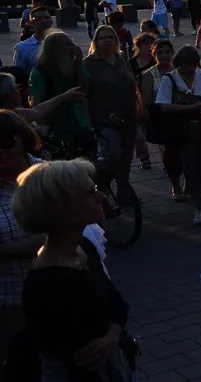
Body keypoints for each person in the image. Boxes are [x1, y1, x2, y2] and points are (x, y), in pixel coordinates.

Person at [12, 158, 133, 381]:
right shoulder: (46, 284)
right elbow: (71, 361)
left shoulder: (82, 248)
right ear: (61, 208)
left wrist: (111, 338)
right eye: (90, 192)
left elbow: (116, 303)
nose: (102, 197)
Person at [155, 45, 201, 224]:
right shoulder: (170, 79)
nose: (190, 69)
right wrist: (190, 107)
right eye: (185, 66)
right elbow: (162, 105)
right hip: (181, 129)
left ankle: (198, 193)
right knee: (190, 167)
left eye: (192, 65)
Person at [84, 25, 139, 196]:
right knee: (112, 154)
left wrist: (140, 109)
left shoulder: (122, 58)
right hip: (104, 117)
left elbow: (133, 84)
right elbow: (84, 93)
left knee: (127, 156)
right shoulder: (89, 63)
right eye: (103, 38)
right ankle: (103, 187)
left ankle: (124, 189)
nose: (107, 40)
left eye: (111, 37)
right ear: (96, 42)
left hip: (128, 115)